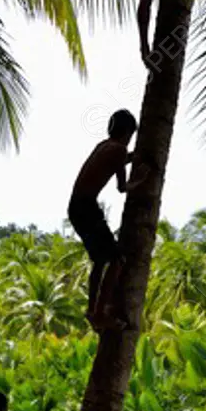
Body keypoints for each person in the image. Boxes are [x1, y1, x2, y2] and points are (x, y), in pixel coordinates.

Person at [68, 109, 149, 331]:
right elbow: (123, 187)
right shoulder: (119, 150)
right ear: (128, 132)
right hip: (87, 208)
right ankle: (100, 313)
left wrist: (133, 156)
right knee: (117, 260)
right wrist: (141, 179)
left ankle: (93, 309)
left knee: (100, 260)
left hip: (76, 207)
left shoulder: (104, 146)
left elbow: (117, 162)